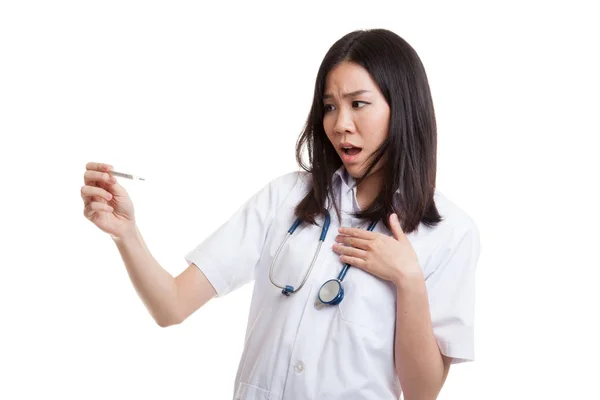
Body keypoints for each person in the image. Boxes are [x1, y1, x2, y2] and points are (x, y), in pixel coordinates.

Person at [81, 28, 481, 400]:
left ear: (403, 108)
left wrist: (408, 279)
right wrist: (126, 233)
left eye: (358, 104)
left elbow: (422, 392)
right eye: (329, 106)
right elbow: (171, 306)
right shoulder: (286, 197)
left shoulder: (449, 232)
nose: (340, 124)